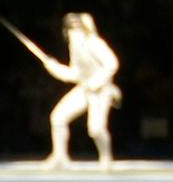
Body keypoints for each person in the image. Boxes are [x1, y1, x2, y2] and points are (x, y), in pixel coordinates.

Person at [40, 13, 122, 170]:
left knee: (96, 129)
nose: (73, 32)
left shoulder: (94, 43)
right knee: (58, 117)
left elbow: (112, 63)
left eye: (76, 28)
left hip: (101, 90)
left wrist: (97, 82)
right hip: (85, 88)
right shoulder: (75, 47)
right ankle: (60, 157)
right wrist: (53, 67)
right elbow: (75, 74)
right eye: (70, 29)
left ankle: (106, 159)